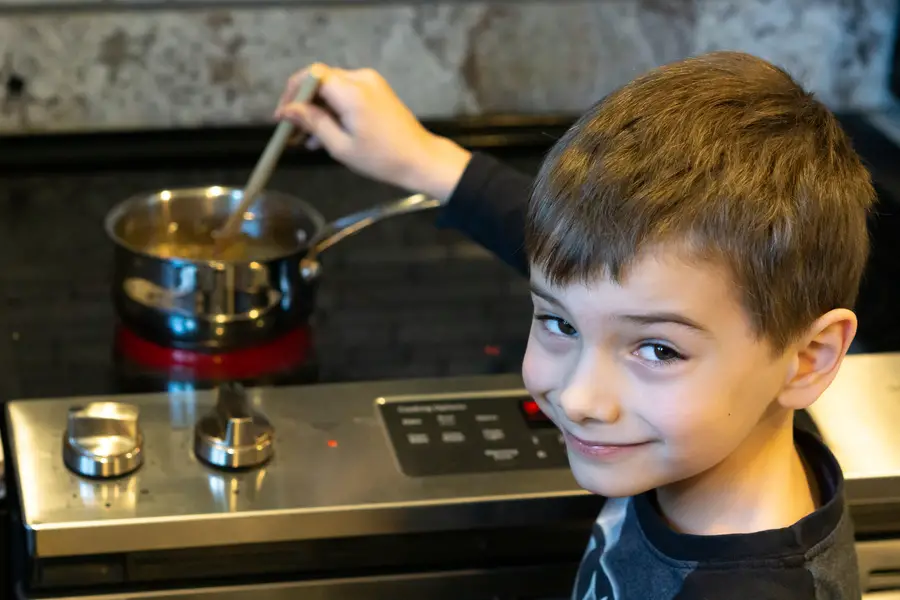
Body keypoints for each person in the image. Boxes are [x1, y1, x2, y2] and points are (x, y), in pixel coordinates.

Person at [276, 52, 874, 599]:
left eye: (659, 350)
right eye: (559, 323)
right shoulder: (734, 416)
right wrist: (421, 158)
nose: (581, 399)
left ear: (809, 359)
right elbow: (599, 274)